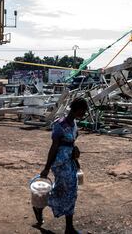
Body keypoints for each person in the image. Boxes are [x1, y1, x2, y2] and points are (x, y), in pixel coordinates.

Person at [35, 97, 88, 234]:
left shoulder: (74, 123)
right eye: (83, 111)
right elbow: (54, 147)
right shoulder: (60, 124)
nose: (84, 113)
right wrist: (47, 168)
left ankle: (40, 205)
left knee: (65, 192)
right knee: (70, 191)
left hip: (69, 162)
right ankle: (68, 228)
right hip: (59, 164)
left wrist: (76, 160)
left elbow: (72, 143)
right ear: (77, 109)